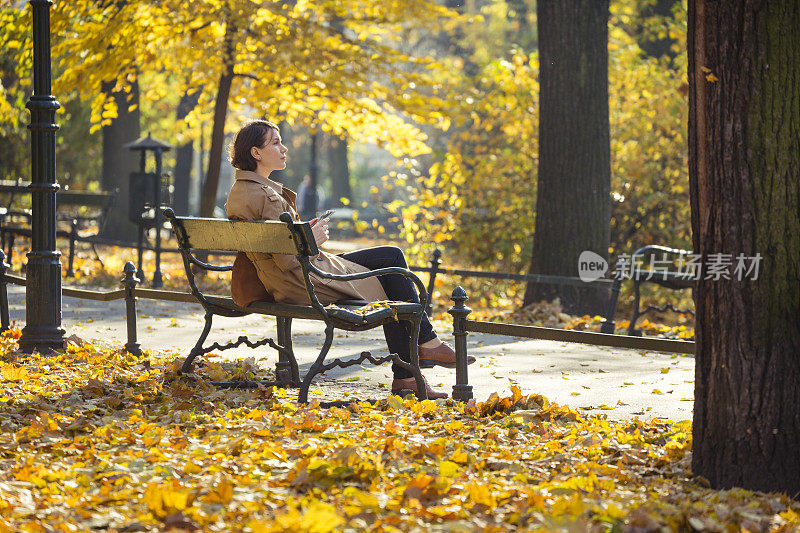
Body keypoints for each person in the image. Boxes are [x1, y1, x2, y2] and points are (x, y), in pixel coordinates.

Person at [224, 120, 474, 398]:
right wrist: (310, 242)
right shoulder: (265, 195)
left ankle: (417, 361)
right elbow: (286, 259)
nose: (283, 148)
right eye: (275, 142)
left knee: (390, 258)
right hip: (303, 281)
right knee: (394, 274)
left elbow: (272, 248)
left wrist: (305, 234)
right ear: (256, 153)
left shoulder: (241, 192)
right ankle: (420, 355)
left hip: (288, 278)